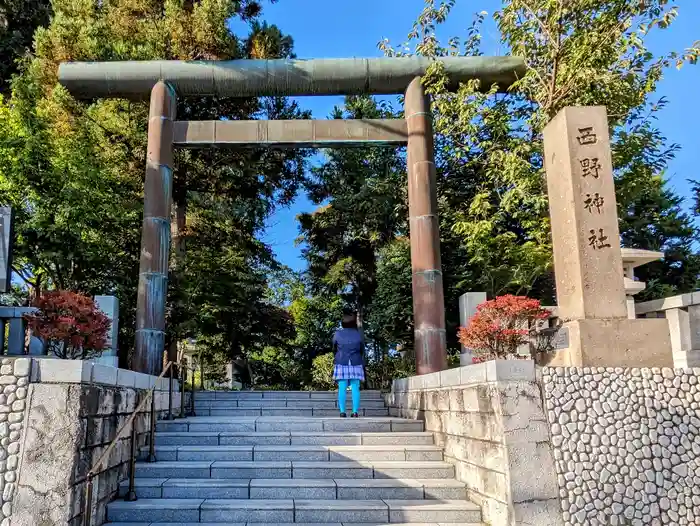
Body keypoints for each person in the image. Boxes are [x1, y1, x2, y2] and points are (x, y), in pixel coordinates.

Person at [332, 311, 365, 417]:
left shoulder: (337, 333)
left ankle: (342, 412)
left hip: (341, 361)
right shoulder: (358, 333)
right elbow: (362, 349)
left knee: (342, 387)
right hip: (356, 362)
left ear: (343, 323)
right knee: (355, 387)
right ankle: (355, 412)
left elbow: (334, 348)